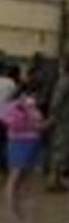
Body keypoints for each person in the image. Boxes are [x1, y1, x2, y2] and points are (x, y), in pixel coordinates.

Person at [1, 78, 52, 221]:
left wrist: (42, 124)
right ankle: (11, 210)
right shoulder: (17, 105)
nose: (40, 97)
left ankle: (19, 207)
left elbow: (36, 124)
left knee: (24, 177)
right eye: (38, 93)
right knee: (15, 177)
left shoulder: (32, 106)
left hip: (31, 143)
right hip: (19, 143)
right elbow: (20, 124)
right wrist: (42, 125)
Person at [45, 56, 69, 192]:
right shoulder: (65, 80)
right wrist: (53, 116)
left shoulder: (64, 80)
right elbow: (56, 101)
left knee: (63, 150)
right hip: (63, 121)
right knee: (60, 149)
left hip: (64, 120)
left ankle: (57, 180)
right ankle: (53, 180)